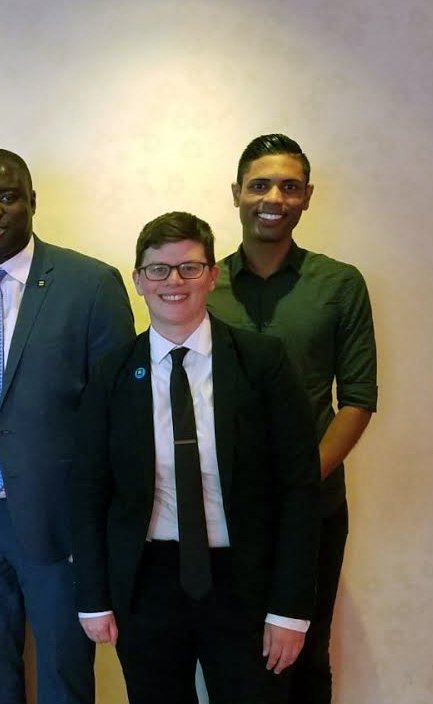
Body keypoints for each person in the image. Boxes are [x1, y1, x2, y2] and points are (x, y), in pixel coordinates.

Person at [73, 211, 322, 703]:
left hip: (244, 580)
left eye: (189, 267)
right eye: (158, 270)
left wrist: (290, 609)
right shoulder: (112, 373)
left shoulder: (262, 362)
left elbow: (299, 488)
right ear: (138, 281)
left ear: (212, 274)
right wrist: (93, 597)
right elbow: (90, 490)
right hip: (147, 582)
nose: (174, 281)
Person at [0, 148, 134, 704]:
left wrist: (104, 520)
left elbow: (119, 418)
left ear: (32, 202)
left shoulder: (90, 285)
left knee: (66, 675)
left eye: (7, 195)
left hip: (59, 520)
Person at [208, 133, 377, 703]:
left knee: (304, 654)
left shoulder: (339, 283)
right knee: (235, 655)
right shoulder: (205, 284)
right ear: (236, 194)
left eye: (289, 186)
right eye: (259, 184)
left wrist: (301, 486)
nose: (272, 197)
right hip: (222, 512)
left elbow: (356, 398)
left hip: (314, 509)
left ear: (307, 197)